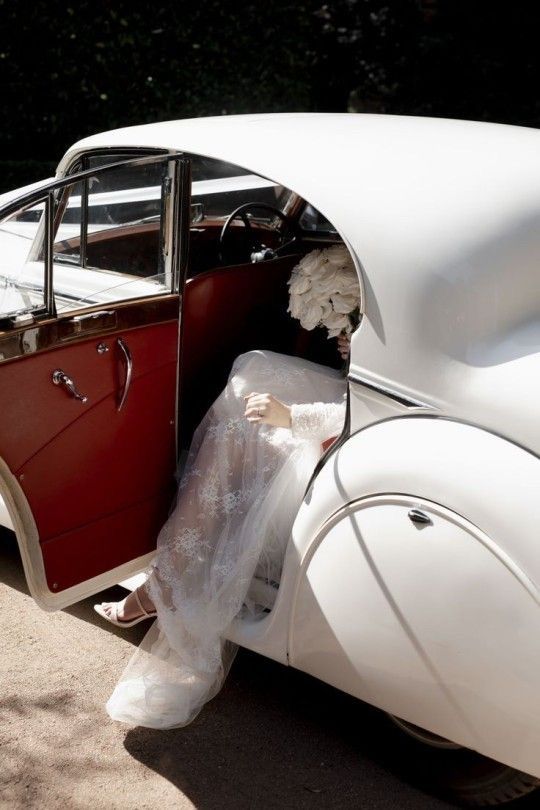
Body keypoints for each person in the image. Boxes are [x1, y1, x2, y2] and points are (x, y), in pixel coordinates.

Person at [94, 332, 351, 729]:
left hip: (364, 408)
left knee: (240, 427)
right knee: (252, 367)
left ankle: (164, 581)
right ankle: (168, 573)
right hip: (352, 384)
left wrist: (294, 417)